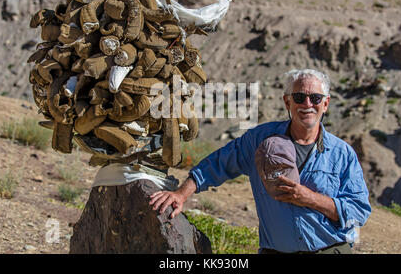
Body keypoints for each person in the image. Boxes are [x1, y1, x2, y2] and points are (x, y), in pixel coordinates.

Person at [149, 68, 371, 254]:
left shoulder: (343, 154)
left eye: (315, 98)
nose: (307, 104)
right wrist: (181, 193)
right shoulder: (261, 141)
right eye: (299, 97)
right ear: (287, 102)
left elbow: (358, 211)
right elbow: (220, 163)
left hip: (330, 249)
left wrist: (309, 198)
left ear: (326, 104)